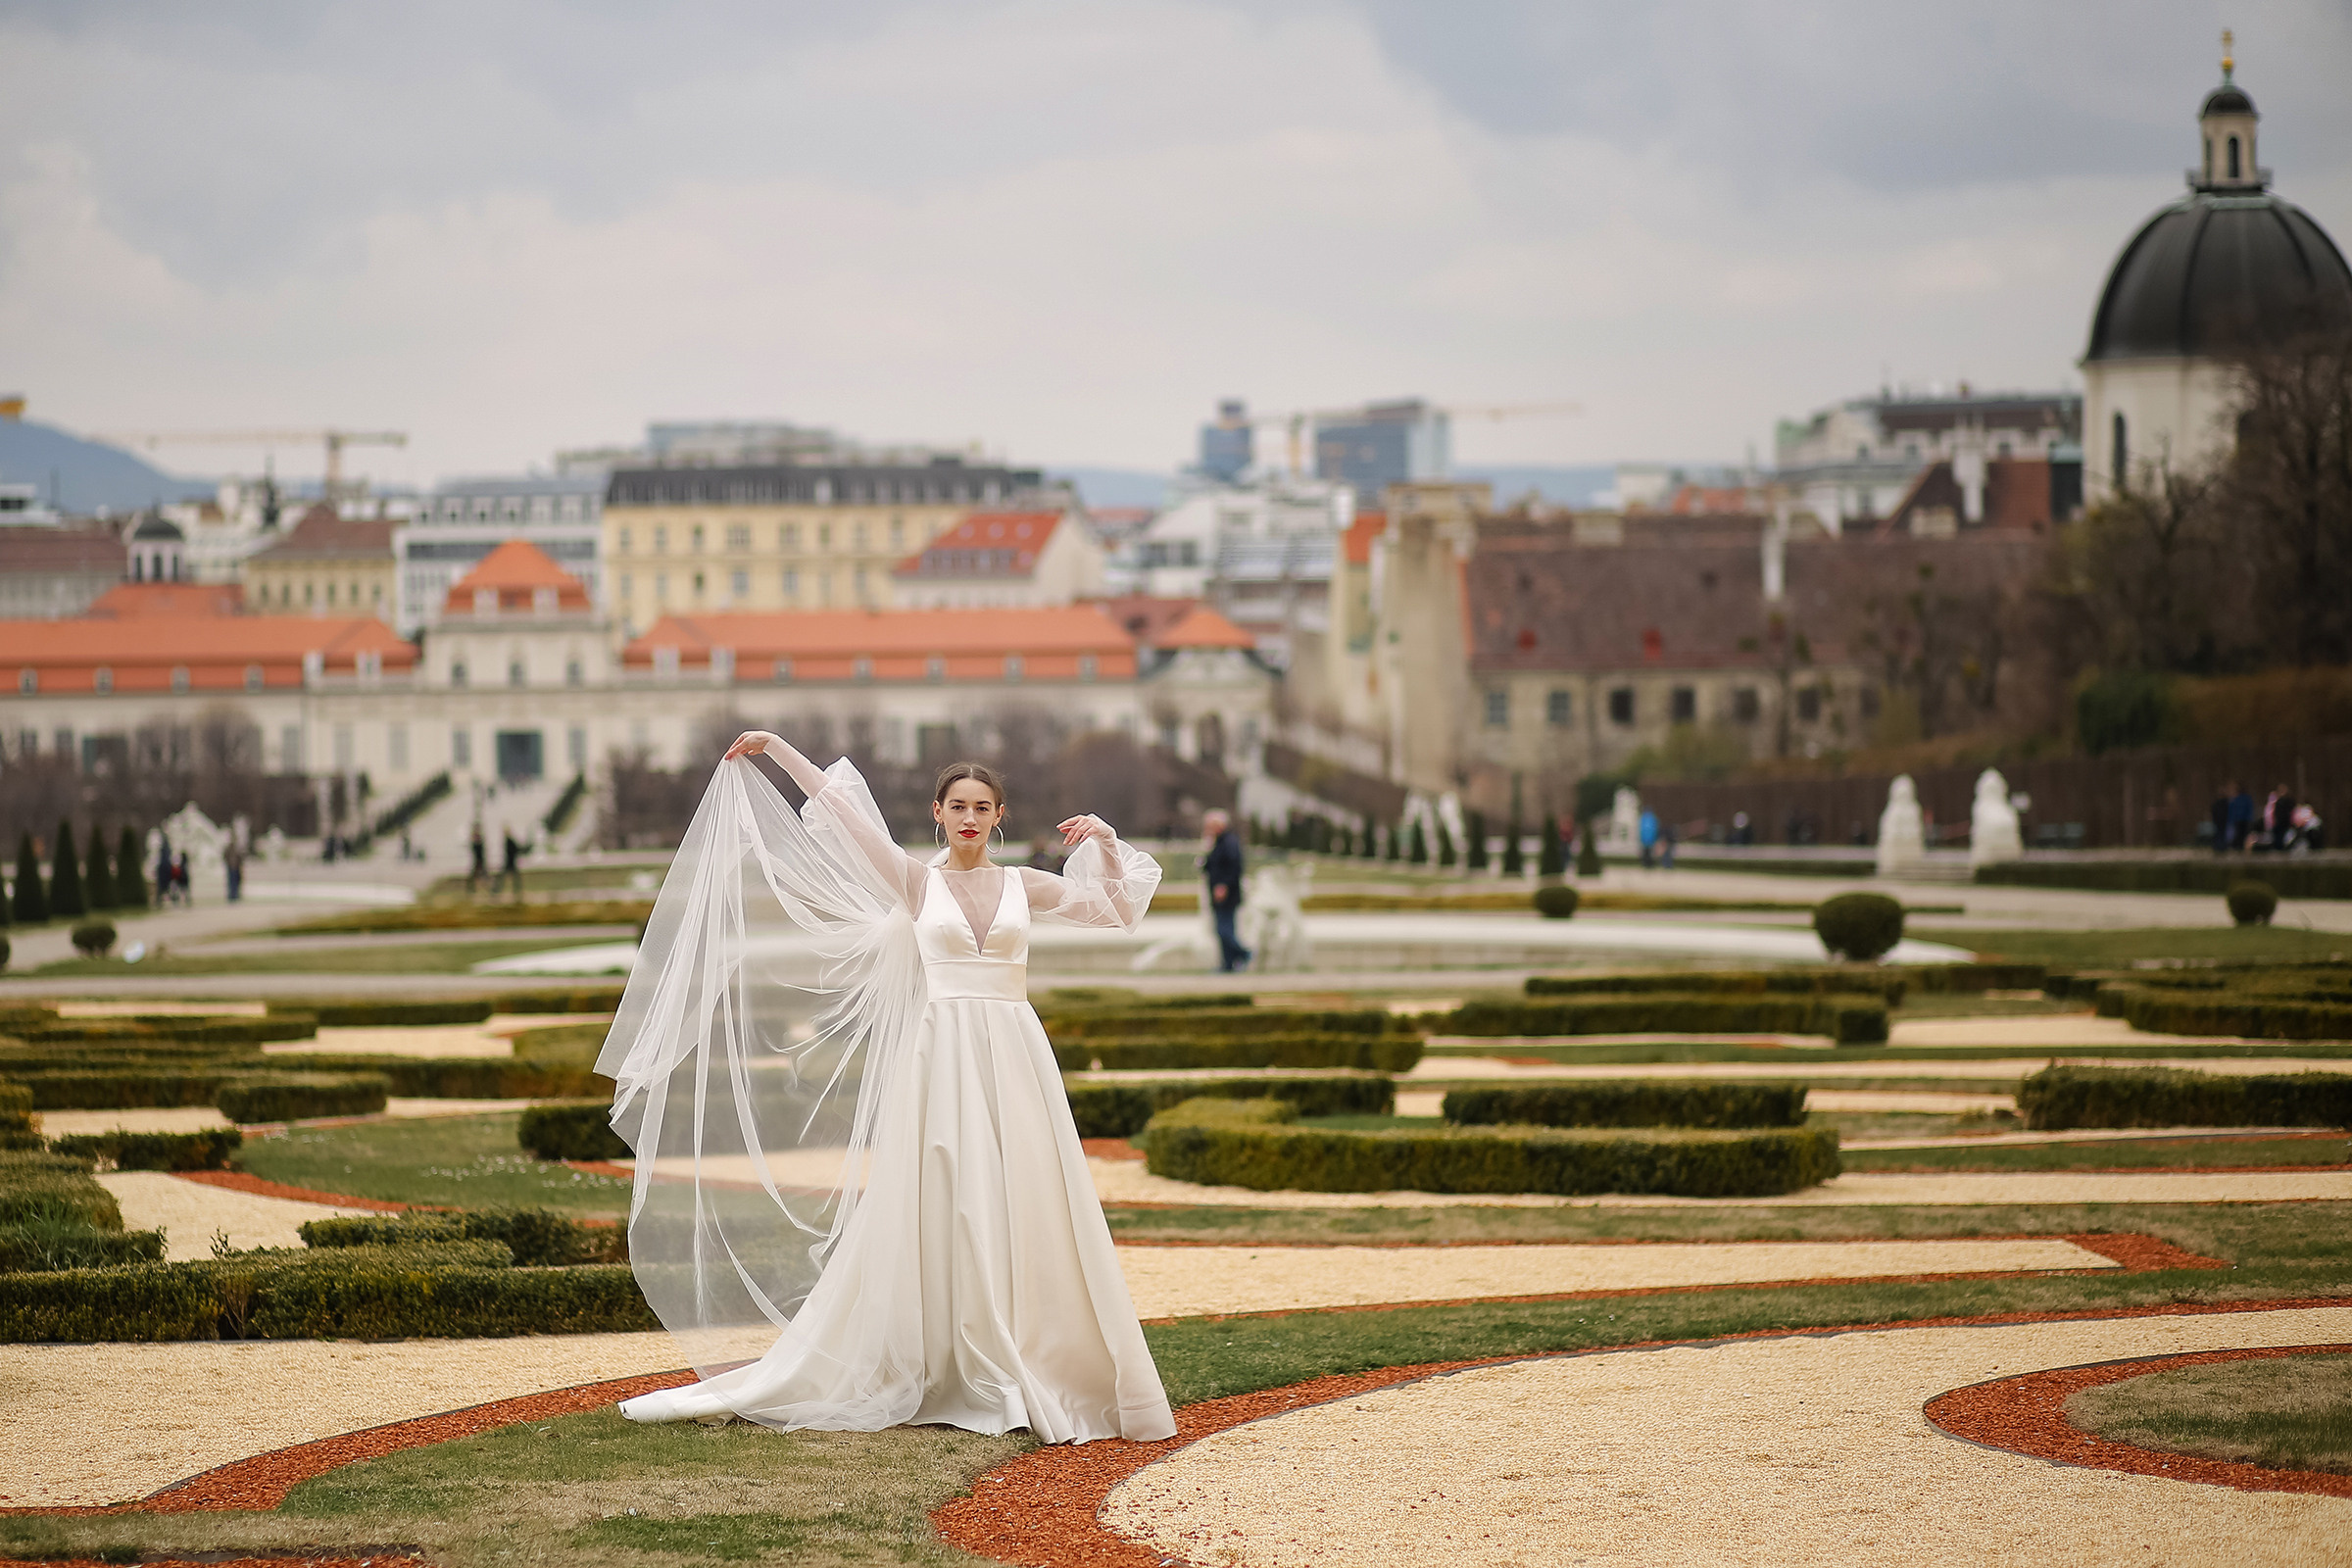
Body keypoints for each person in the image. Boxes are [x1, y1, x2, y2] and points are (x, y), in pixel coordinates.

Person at [608, 733, 1175, 1446]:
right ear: (938, 813)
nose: (969, 817)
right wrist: (778, 750)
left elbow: (1119, 911)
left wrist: (1109, 842)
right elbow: (840, 811)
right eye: (957, 805)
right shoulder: (915, 882)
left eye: (982, 807)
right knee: (949, 1196)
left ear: (999, 816)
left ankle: (1030, 1349)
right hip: (941, 1055)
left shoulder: (1025, 884)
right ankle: (958, 1353)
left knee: (1028, 1195)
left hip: (1014, 1052)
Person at [1201, 808, 1250, 973]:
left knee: (1225, 930)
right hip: (1218, 893)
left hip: (1227, 894)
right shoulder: (1218, 843)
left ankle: (1244, 953)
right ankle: (1227, 964)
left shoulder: (1229, 842)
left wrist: (1223, 886)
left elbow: (1234, 867)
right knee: (1220, 930)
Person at [2211, 782, 2237, 855]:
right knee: (2220, 834)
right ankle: (2219, 847)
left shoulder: (2224, 802)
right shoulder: (2222, 802)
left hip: (2222, 821)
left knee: (2221, 834)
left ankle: (2221, 847)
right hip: (2221, 821)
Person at [498, 826, 523, 897]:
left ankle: (516, 890)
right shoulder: (509, 841)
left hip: (509, 862)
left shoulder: (508, 840)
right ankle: (517, 890)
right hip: (510, 862)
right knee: (514, 878)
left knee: (506, 877)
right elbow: (515, 850)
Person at [467, 822, 488, 893]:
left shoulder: (477, 838)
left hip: (479, 859)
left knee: (480, 874)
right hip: (478, 859)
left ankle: (473, 888)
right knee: (478, 874)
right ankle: (471, 888)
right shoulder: (476, 838)